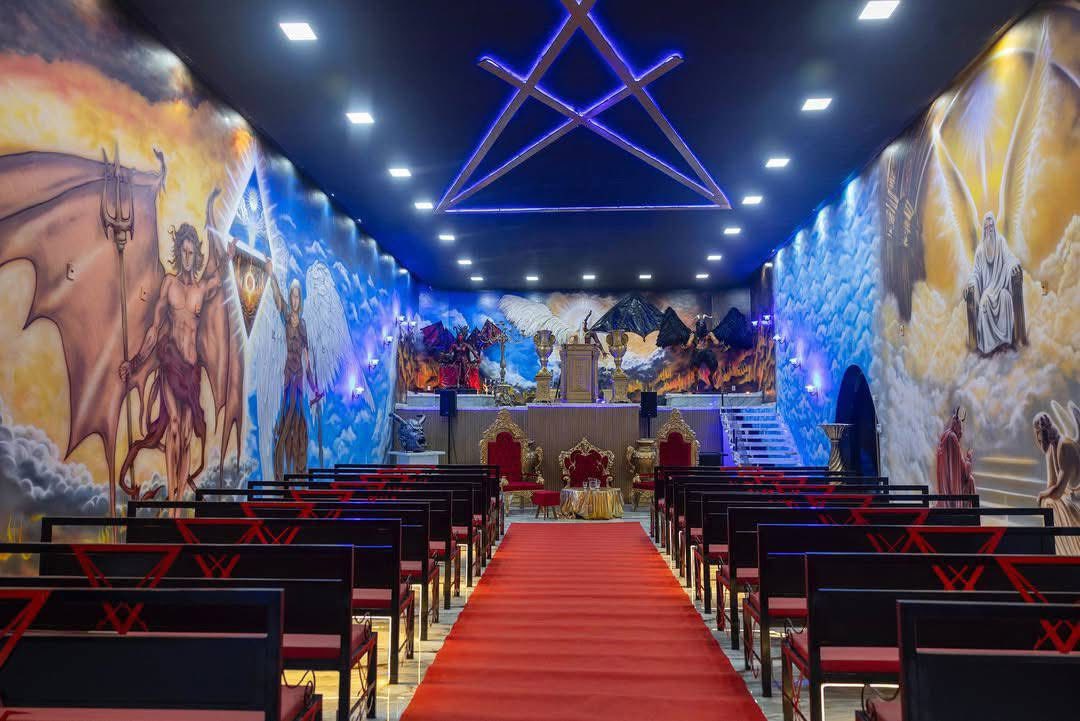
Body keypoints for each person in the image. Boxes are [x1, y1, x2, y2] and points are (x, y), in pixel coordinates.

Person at [118, 223, 234, 500]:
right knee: (172, 425)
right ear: (178, 252)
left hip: (191, 371)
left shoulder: (201, 289)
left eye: (191, 252)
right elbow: (154, 329)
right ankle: (172, 494)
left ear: (196, 255)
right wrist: (134, 363)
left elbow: (218, 279)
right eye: (183, 251)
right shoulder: (169, 284)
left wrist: (228, 258)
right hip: (171, 364)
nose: (187, 257)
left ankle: (179, 500)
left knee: (185, 434)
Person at [265, 262, 318, 480]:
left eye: (297, 297)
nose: (294, 300)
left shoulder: (303, 325)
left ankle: (299, 468)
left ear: (301, 299)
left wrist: (314, 387)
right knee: (286, 421)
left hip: (299, 379)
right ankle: (280, 472)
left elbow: (307, 360)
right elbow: (278, 299)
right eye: (292, 296)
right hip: (288, 376)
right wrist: (272, 276)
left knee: (300, 422)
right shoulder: (287, 315)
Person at [965, 212, 1024, 355]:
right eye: (986, 227)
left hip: (1000, 286)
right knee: (984, 304)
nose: (989, 229)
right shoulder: (980, 251)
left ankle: (1004, 342)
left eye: (991, 226)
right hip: (988, 290)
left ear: (994, 227)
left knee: (1006, 298)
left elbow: (1009, 258)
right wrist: (970, 283)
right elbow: (975, 273)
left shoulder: (1001, 242)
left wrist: (1014, 265)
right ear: (984, 229)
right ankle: (989, 347)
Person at [1033, 411, 1080, 555]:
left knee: (1050, 502)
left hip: (1077, 500)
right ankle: (1058, 552)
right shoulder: (1052, 448)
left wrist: (1041, 495)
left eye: (1041, 435)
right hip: (1071, 496)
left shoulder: (1065, 446)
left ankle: (1068, 552)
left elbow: (1057, 491)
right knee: (1048, 502)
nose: (1040, 442)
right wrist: (1048, 454)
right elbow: (1051, 485)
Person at [935, 407, 976, 508]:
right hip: (952, 490)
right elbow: (964, 473)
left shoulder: (945, 435)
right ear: (957, 426)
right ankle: (971, 513)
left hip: (945, 487)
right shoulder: (953, 438)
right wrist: (969, 458)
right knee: (970, 480)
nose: (961, 433)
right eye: (960, 429)